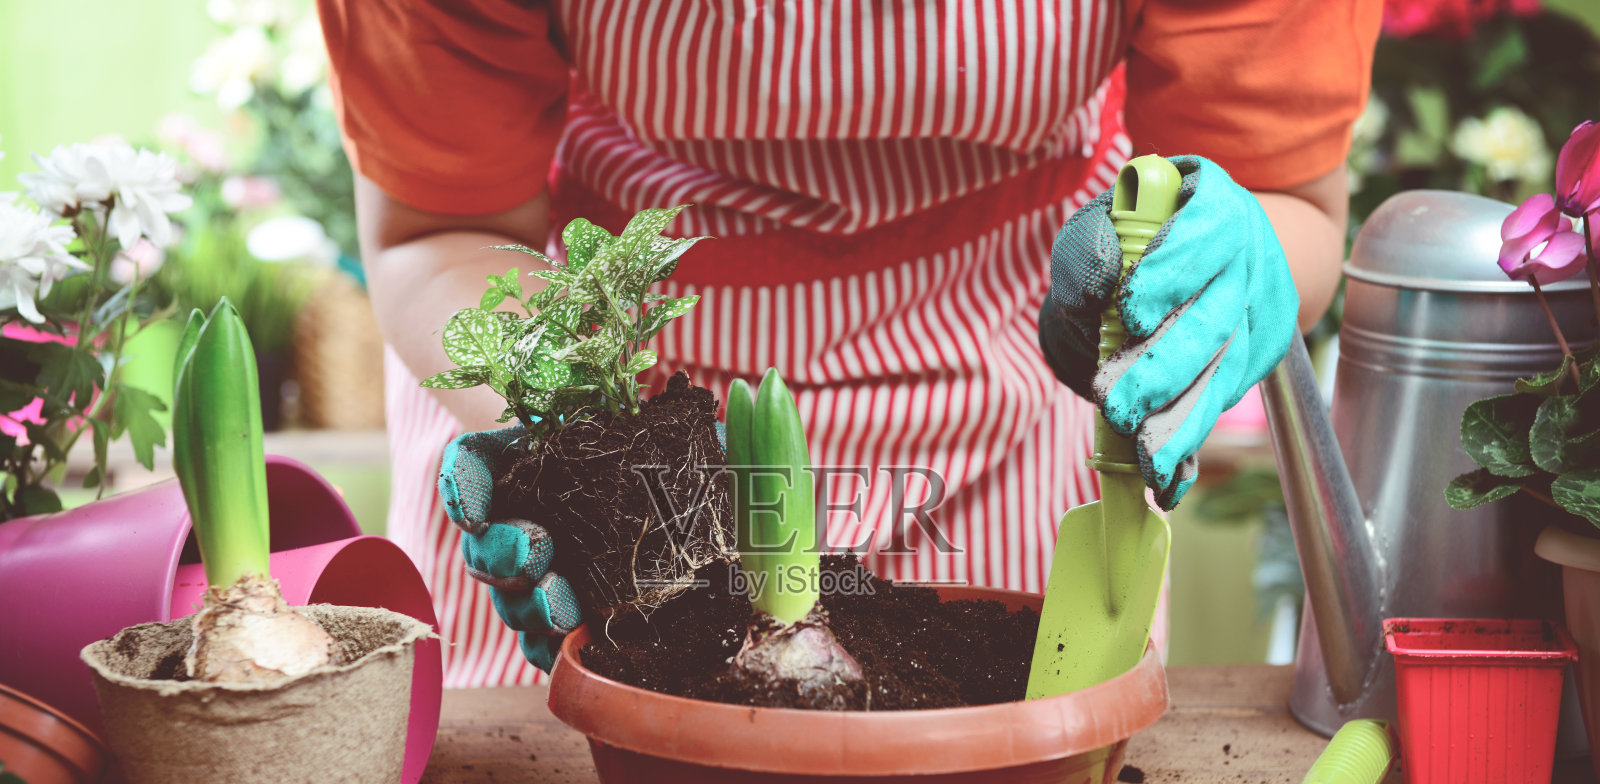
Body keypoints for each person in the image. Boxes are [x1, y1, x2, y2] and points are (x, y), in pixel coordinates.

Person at [317, 0, 1382, 684]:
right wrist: (576, 444)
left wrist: (1208, 273)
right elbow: (442, 226)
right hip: (621, 387)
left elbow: (1283, 199)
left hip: (1013, 392)